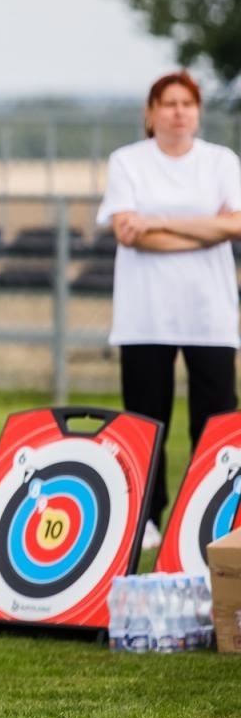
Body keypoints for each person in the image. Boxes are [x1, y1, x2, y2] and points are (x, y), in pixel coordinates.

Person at [98, 70, 241, 550]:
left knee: (216, 423)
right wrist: (208, 227)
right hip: (146, 316)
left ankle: (213, 517)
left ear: (198, 111)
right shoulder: (127, 162)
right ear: (150, 112)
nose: (179, 111)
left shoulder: (221, 162)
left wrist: (159, 221)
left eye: (187, 103)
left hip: (210, 315)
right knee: (144, 422)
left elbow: (237, 225)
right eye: (169, 103)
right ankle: (146, 519)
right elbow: (129, 233)